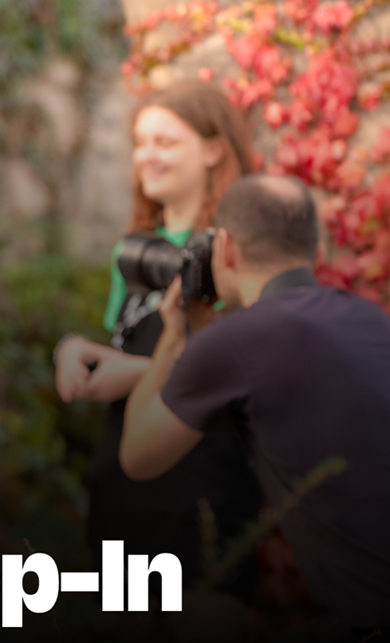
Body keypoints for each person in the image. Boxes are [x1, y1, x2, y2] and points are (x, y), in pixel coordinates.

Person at [121, 174, 390, 640]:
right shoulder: (368, 316)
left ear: (224, 249)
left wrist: (175, 335)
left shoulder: (236, 341)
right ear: (318, 252)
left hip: (368, 625)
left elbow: (138, 457)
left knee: (195, 621)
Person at [54, 80, 264, 607]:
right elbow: (124, 345)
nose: (147, 155)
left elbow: (248, 369)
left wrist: (135, 374)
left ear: (215, 148)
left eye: (165, 142)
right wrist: (73, 350)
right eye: (140, 141)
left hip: (201, 498)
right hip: (122, 492)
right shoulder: (133, 252)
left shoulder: (237, 252)